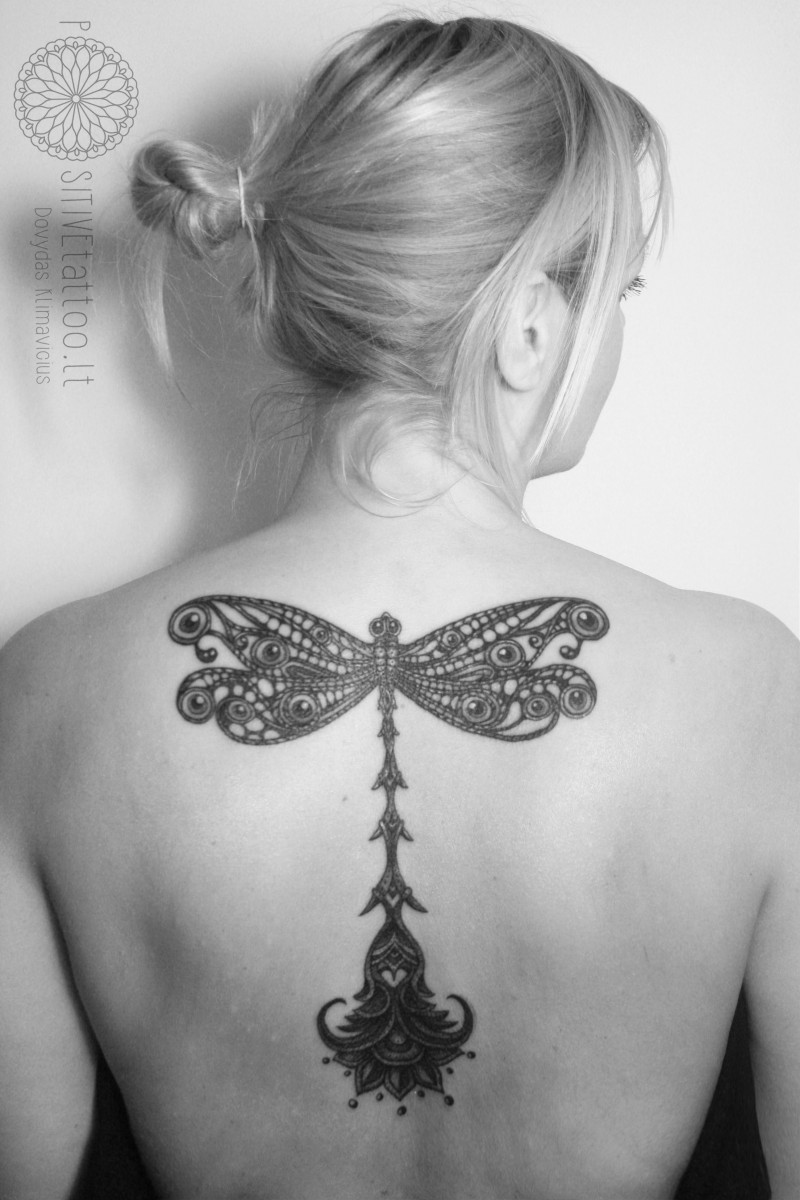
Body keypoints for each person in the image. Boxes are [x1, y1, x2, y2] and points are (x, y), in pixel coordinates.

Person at [0, 15, 797, 1200]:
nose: (614, 330)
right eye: (617, 289)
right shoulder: (746, 687)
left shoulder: (50, 686)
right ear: (529, 323)